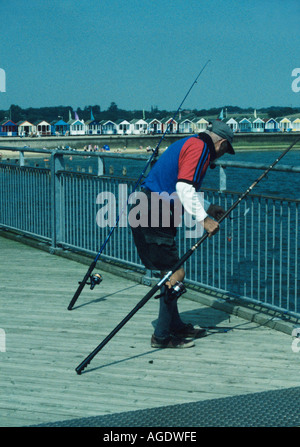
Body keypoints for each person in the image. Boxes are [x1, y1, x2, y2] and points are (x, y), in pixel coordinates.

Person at [130, 120, 235, 349]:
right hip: (153, 210)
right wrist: (205, 221)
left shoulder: (191, 142)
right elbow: (184, 188)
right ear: (222, 143)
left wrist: (207, 207)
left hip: (150, 206)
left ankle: (174, 325)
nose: (223, 155)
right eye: (227, 150)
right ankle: (162, 336)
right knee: (175, 273)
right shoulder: (200, 149)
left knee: (169, 272)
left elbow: (183, 187)